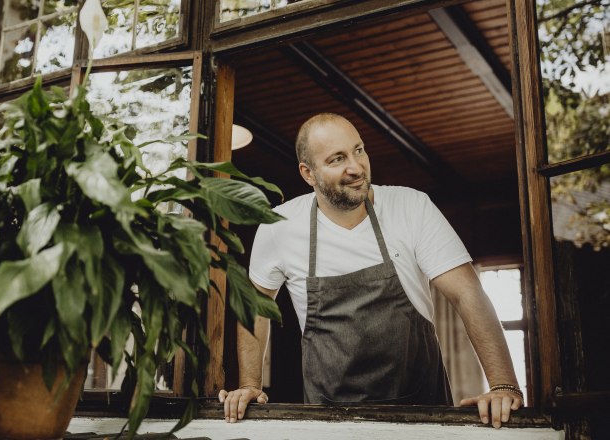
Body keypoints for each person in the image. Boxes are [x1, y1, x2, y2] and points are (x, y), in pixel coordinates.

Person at [218, 113, 523, 428]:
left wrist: (502, 384)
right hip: (327, 423)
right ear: (308, 174)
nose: (356, 167)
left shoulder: (411, 207)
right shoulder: (280, 226)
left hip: (422, 420)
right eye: (338, 159)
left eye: (358, 150)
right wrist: (250, 384)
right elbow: (255, 306)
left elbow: (467, 293)